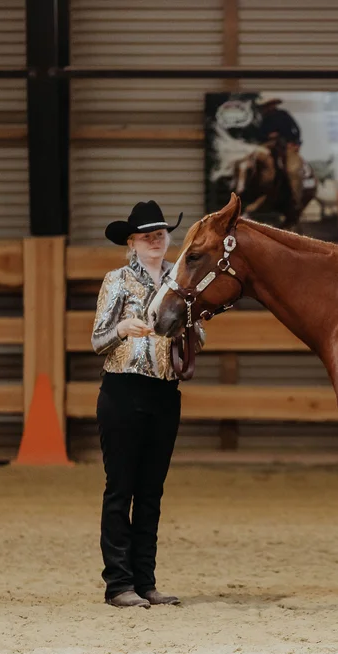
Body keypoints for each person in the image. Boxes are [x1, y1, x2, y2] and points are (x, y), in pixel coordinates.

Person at [92, 200, 205, 609]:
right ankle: (118, 583)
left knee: (151, 492)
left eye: (160, 234)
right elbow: (97, 340)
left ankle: (146, 581)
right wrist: (123, 328)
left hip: (164, 392)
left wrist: (186, 328)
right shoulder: (117, 280)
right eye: (146, 235)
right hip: (123, 389)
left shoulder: (182, 280)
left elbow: (201, 337)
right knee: (121, 489)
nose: (155, 240)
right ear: (132, 242)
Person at [254, 93, 305, 213]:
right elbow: (259, 135)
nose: (268, 107)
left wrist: (295, 142)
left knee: (292, 170)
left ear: (274, 104)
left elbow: (296, 129)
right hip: (267, 145)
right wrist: (267, 136)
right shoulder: (263, 119)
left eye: (270, 105)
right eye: (266, 105)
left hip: (286, 145)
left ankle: (295, 200)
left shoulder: (283, 115)